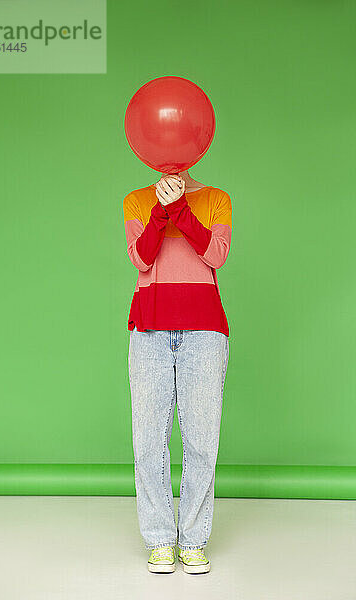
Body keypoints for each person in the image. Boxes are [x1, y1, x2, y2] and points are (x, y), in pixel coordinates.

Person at [122, 170, 232, 574]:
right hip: (149, 329)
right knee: (148, 439)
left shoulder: (218, 198)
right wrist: (160, 211)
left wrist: (181, 209)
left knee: (202, 439)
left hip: (204, 330)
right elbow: (141, 257)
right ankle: (160, 540)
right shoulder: (136, 199)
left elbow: (217, 255)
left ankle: (193, 540)